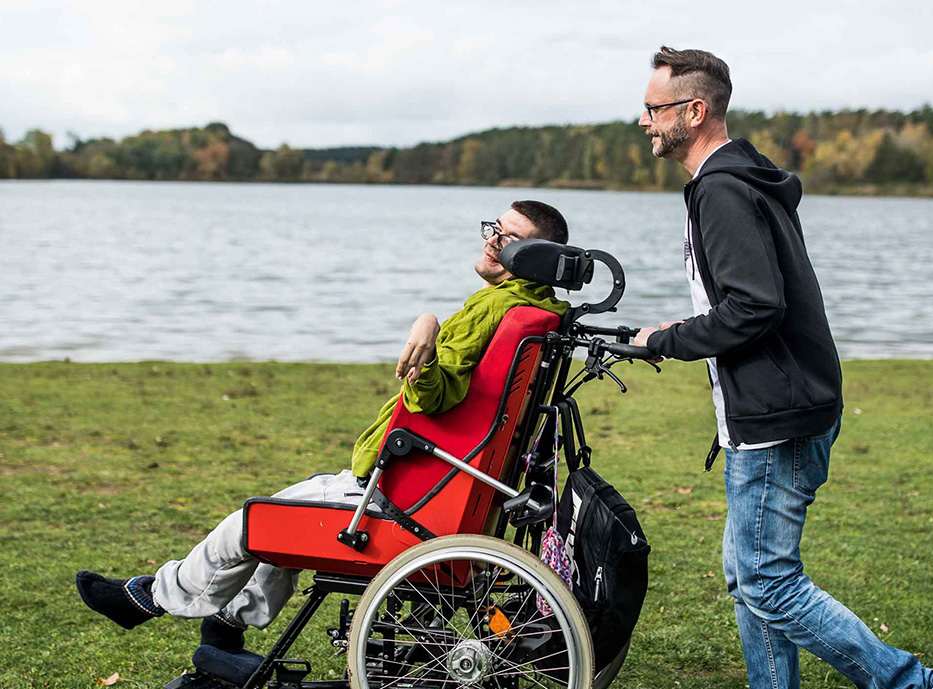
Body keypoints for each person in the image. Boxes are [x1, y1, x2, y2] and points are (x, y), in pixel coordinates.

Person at [630, 47, 933, 689]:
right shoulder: (737, 180)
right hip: (782, 404)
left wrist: (667, 341)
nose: (644, 119)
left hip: (778, 415)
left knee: (767, 578)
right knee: (749, 573)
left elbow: (755, 306)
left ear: (695, 111)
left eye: (655, 108)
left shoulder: (721, 190)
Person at [76, 200, 572, 654]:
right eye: (493, 229)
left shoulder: (493, 308)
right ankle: (224, 629)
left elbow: (438, 397)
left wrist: (426, 336)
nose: (491, 240)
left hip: (403, 497)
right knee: (290, 509)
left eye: (507, 238)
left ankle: (149, 598)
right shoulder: (543, 311)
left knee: (251, 525)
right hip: (437, 486)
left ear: (536, 256)